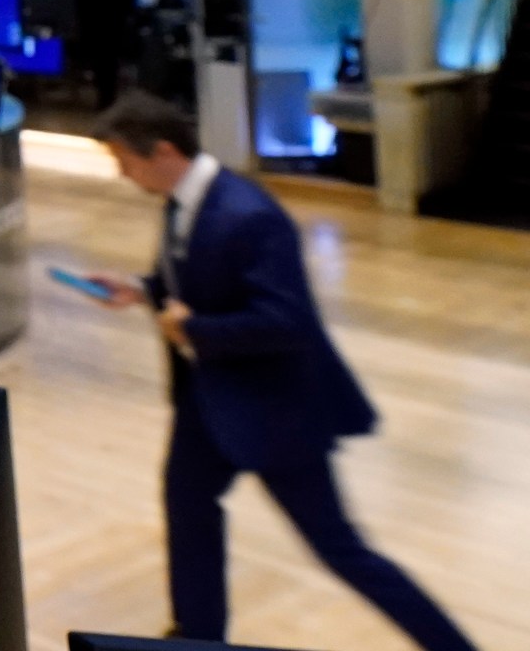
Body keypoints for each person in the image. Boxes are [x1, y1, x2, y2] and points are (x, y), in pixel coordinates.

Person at [86, 94, 475, 650]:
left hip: (275, 410)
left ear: (164, 151)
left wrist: (194, 332)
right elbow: (193, 284)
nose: (121, 173)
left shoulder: (249, 216)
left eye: (124, 160)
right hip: (209, 399)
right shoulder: (180, 201)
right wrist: (142, 289)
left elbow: (285, 321)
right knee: (188, 508)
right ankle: (197, 639)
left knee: (339, 548)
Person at [71, 0, 139, 108]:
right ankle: (110, 99)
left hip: (89, 25)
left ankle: (103, 98)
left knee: (97, 64)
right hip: (114, 25)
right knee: (111, 64)